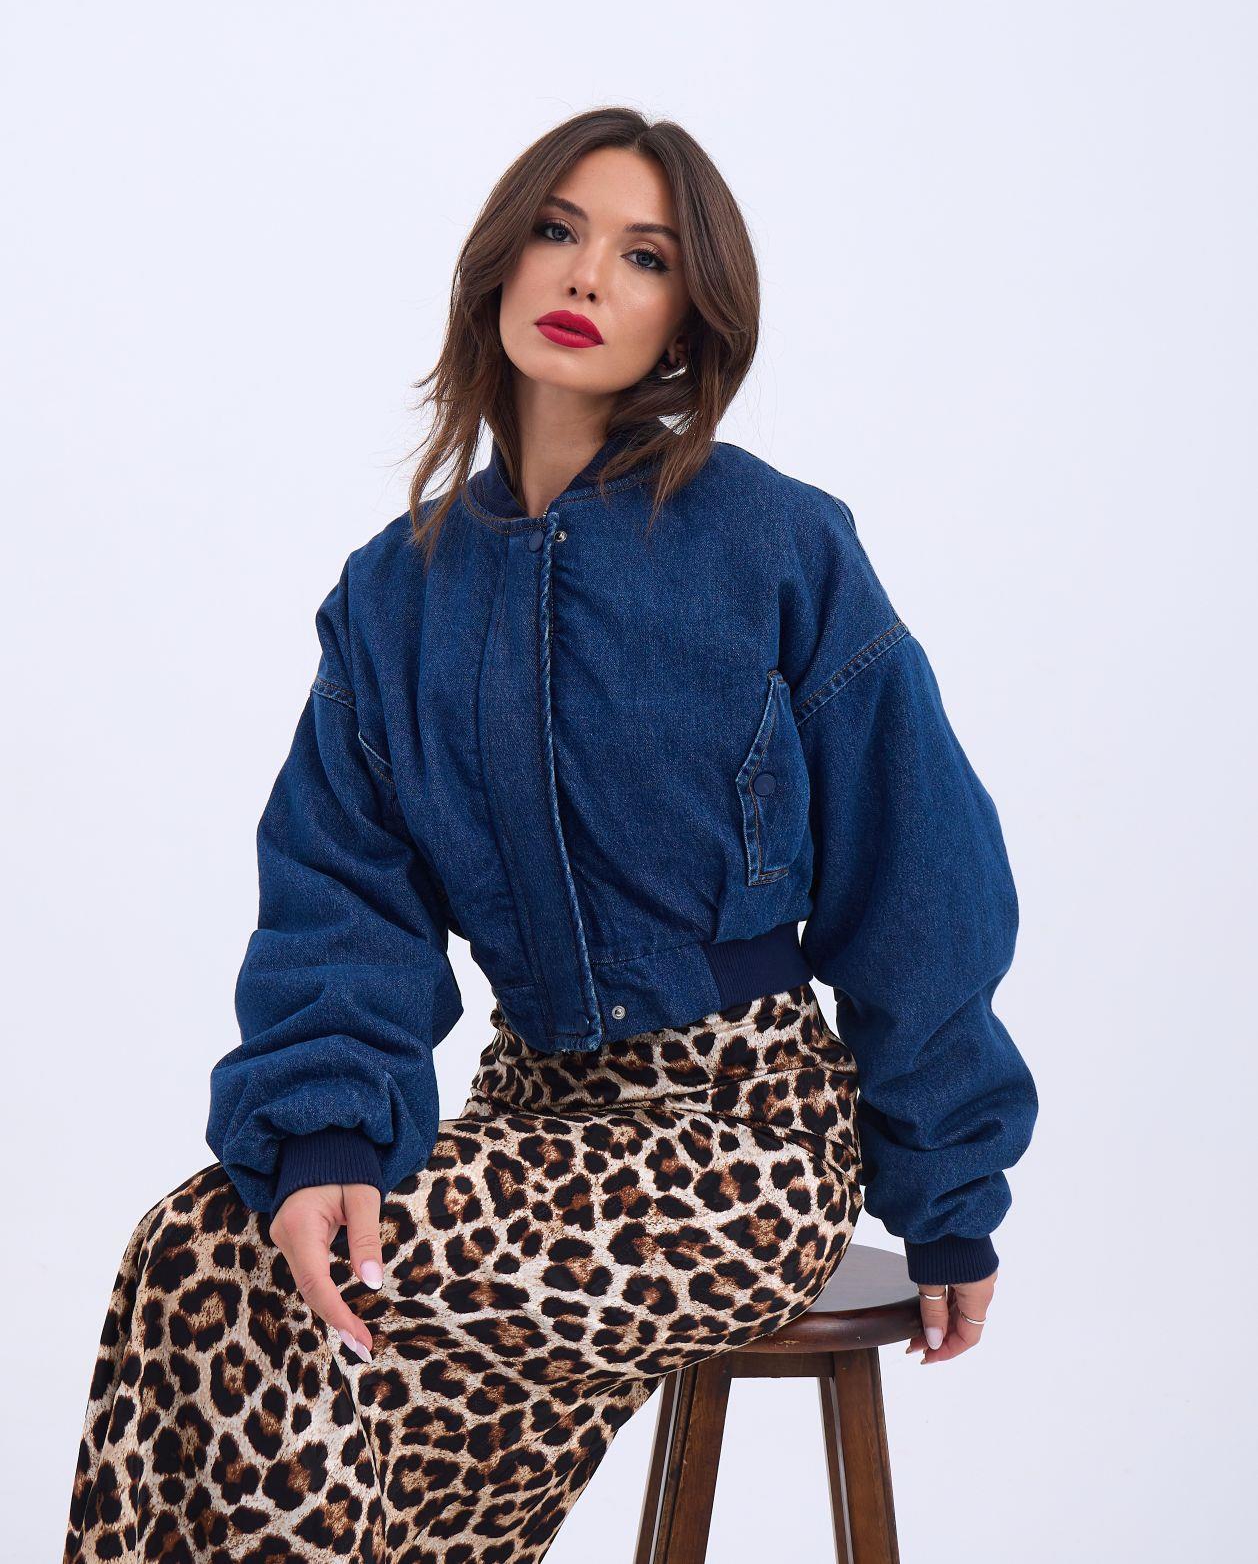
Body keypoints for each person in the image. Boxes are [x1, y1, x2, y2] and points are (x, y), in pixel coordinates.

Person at [62, 106, 1038, 1561]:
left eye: (644, 255)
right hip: (526, 1119)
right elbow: (342, 893)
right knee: (207, 1235)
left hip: (741, 1145)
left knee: (222, 1256)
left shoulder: (774, 542)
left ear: (687, 318)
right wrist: (326, 1127)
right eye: (558, 230)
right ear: (501, 262)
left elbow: (920, 871)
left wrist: (947, 1193)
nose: (587, 274)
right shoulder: (395, 594)